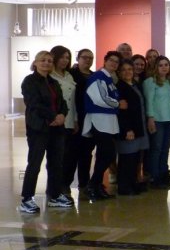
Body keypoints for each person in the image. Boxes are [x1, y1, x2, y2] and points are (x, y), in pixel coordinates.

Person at [19, 51, 72, 213]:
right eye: (43, 60)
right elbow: (34, 104)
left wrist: (62, 115)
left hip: (57, 128)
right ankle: (27, 199)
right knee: (34, 163)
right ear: (35, 63)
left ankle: (55, 196)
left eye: (49, 61)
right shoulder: (29, 81)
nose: (46, 63)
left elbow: (62, 102)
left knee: (56, 163)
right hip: (39, 128)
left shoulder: (53, 82)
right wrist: (53, 116)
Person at [83, 50, 122, 200]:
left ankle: (97, 185)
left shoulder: (109, 79)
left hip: (109, 121)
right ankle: (92, 184)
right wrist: (118, 104)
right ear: (105, 61)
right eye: (111, 60)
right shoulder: (98, 77)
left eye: (116, 62)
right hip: (99, 120)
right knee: (108, 153)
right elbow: (101, 98)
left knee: (103, 155)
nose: (114, 63)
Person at [115, 60, 149, 195]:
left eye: (129, 69)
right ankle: (124, 186)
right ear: (119, 72)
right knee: (127, 158)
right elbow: (121, 112)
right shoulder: (119, 87)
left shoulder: (135, 85)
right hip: (128, 128)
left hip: (138, 126)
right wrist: (127, 129)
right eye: (124, 70)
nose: (127, 72)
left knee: (135, 157)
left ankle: (133, 183)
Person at [49, 45, 78, 196]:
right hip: (57, 121)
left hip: (70, 120)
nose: (65, 60)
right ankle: (54, 188)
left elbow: (73, 101)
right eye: (62, 57)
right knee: (56, 157)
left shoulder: (69, 76)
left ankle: (65, 184)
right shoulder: (50, 76)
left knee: (70, 156)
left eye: (67, 57)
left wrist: (76, 120)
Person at [143, 56, 170, 189]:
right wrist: (150, 118)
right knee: (156, 149)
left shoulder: (169, 82)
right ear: (156, 67)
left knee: (165, 149)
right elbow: (149, 101)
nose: (164, 67)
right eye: (161, 65)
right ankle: (154, 176)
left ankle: (163, 173)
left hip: (169, 119)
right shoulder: (150, 82)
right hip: (157, 120)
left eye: (166, 65)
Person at [69, 48, 95, 195]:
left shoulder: (94, 76)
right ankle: (66, 184)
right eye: (85, 57)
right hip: (75, 119)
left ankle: (84, 184)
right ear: (78, 59)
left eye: (90, 58)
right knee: (72, 153)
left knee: (86, 153)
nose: (88, 60)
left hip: (90, 120)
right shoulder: (71, 74)